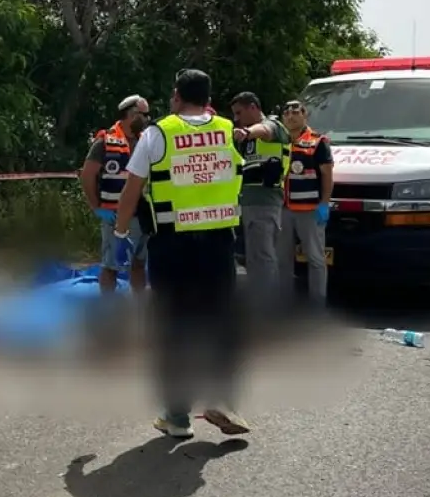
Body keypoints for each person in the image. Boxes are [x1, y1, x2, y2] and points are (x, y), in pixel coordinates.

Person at [112, 69, 249, 439]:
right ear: (208, 97)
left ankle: (177, 416)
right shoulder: (226, 130)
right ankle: (222, 398)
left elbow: (131, 190)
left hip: (173, 245)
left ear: (176, 95)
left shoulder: (158, 134)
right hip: (220, 239)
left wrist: (120, 233)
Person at [79, 95, 151, 295]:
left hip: (142, 214)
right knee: (111, 266)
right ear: (132, 115)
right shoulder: (105, 140)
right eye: (144, 115)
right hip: (114, 215)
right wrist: (96, 208)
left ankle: (138, 308)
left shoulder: (146, 140)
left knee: (139, 263)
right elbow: (87, 175)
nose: (148, 119)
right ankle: (108, 310)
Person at [230, 92, 291, 303]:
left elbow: (264, 130)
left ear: (253, 107)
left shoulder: (274, 126)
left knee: (263, 258)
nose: (237, 118)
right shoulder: (245, 140)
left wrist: (247, 132)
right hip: (246, 202)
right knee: (250, 259)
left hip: (265, 202)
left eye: (240, 113)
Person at [277, 101, 333, 307]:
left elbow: (327, 175)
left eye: (295, 112)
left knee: (316, 259)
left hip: (310, 210)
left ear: (304, 115)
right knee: (282, 259)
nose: (290, 116)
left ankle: (317, 305)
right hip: (284, 208)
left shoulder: (318, 142)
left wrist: (325, 203)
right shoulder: (279, 141)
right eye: (287, 113)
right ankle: (284, 302)